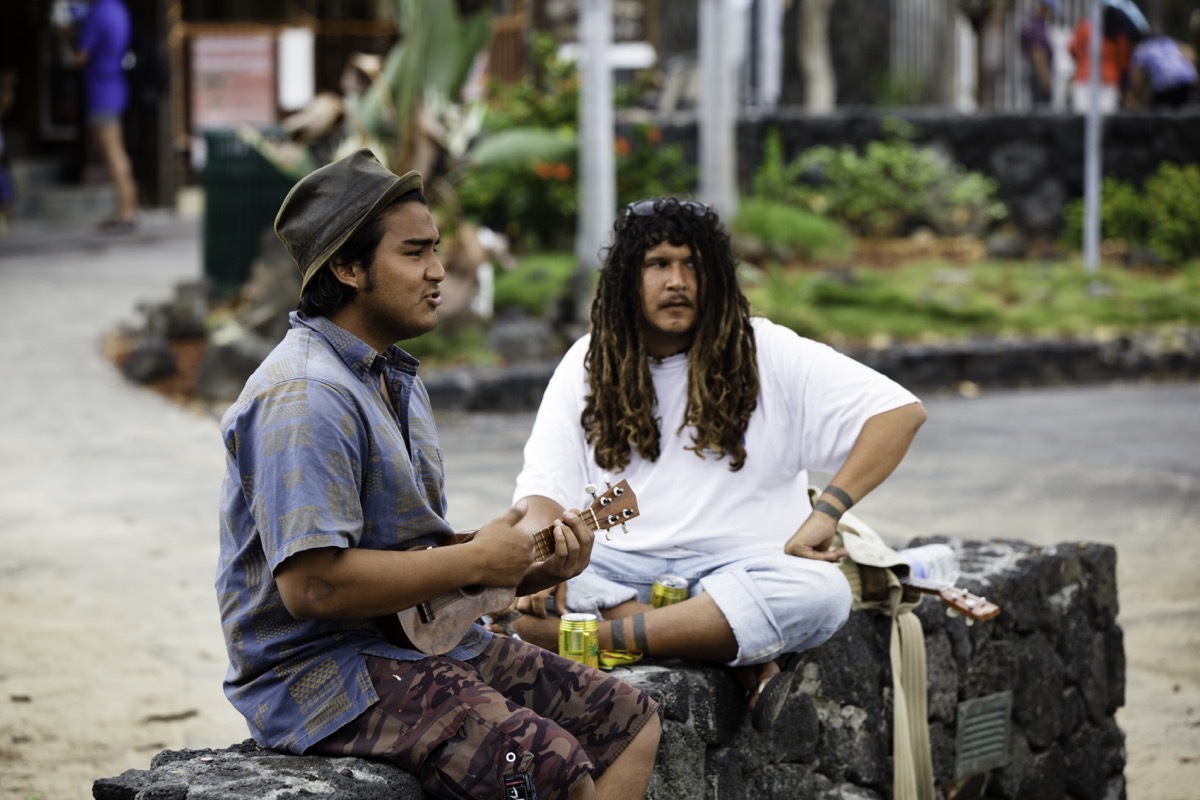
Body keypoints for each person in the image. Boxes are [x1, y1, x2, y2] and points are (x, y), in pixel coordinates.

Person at [216, 149, 661, 800]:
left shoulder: (393, 378)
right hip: (318, 672)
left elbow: (417, 567)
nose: (439, 271)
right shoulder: (306, 394)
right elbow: (312, 588)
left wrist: (533, 565)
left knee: (629, 719)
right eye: (415, 252)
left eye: (436, 249)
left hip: (409, 640)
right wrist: (473, 559)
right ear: (347, 267)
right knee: (549, 764)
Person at [501, 198, 927, 733]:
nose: (677, 280)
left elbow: (899, 413)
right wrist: (544, 561)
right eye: (658, 264)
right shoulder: (589, 361)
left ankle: (603, 637)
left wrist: (826, 516)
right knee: (501, 584)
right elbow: (542, 489)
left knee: (821, 594)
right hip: (618, 572)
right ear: (627, 278)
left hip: (741, 571)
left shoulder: (768, 350)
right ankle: (722, 648)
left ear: (717, 278)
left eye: (693, 265)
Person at [55, 0, 138, 231]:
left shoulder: (99, 13)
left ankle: (126, 213)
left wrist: (63, 35)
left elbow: (80, 58)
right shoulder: (119, 9)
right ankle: (127, 209)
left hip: (102, 90)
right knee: (118, 151)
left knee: (113, 153)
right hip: (116, 85)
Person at [1067, 4, 1136, 113]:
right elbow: (1123, 64)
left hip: (1085, 77)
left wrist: (1081, 61)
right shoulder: (1119, 36)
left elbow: (1072, 49)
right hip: (1109, 81)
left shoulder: (1085, 28)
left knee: (1081, 119)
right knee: (1105, 120)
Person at [1128, 33, 1198, 108]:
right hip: (1189, 80)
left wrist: (1134, 94)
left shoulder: (1140, 49)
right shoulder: (1167, 42)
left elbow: (1137, 78)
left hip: (1166, 84)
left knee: (1156, 113)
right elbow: (1192, 55)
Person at [1020, 0, 1060, 108]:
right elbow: (1038, 54)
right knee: (1041, 109)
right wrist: (1045, 79)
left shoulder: (1039, 24)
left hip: (1040, 72)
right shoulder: (1035, 26)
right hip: (1039, 73)